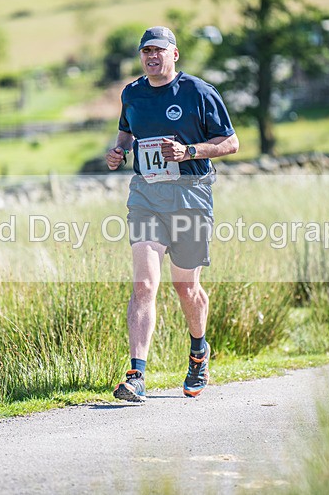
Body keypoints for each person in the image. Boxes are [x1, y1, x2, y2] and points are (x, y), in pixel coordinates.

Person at [106, 26, 239, 402]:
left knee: (185, 286)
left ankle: (199, 352)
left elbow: (230, 142)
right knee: (145, 284)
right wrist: (117, 153)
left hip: (191, 195)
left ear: (174, 54)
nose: (151, 57)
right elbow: (125, 135)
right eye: (145, 51)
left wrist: (189, 152)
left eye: (158, 51)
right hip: (146, 195)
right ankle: (136, 375)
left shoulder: (199, 92)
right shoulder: (131, 93)